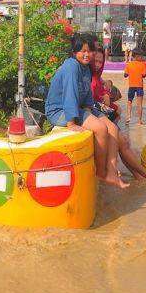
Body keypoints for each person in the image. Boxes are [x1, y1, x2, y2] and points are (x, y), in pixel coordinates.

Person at [45, 34, 129, 188]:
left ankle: (111, 172)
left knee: (112, 128)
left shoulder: (86, 68)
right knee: (101, 129)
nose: (86, 54)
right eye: (82, 51)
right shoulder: (71, 66)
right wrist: (71, 123)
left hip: (79, 107)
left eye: (89, 51)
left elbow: (86, 95)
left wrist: (90, 111)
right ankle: (101, 172)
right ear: (74, 52)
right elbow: (70, 94)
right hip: (60, 110)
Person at [90, 49, 146, 180]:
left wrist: (105, 91)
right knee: (123, 145)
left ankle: (139, 175)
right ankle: (144, 175)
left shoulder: (95, 74)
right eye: (96, 61)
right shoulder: (89, 75)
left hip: (114, 104)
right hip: (102, 113)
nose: (98, 64)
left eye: (101, 62)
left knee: (122, 145)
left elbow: (124, 75)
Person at [124, 53, 146, 124]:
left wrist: (130, 73)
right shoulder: (142, 65)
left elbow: (125, 75)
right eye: (141, 56)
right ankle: (139, 121)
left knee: (129, 101)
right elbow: (144, 75)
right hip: (139, 86)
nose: (142, 58)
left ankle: (128, 117)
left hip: (131, 86)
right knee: (139, 104)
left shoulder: (129, 65)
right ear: (137, 56)